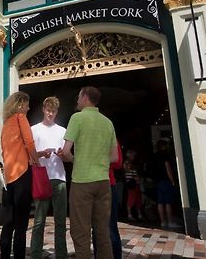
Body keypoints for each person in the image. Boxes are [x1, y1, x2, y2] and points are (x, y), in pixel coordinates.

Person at [58, 86, 117, 259]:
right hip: (103, 182)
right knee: (102, 232)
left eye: (78, 97)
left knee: (80, 231)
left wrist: (73, 159)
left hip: (82, 182)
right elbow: (114, 157)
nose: (76, 101)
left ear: (85, 97)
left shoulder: (77, 118)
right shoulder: (107, 122)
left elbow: (66, 151)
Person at [0, 91, 40, 259]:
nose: (29, 108)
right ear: (20, 104)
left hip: (9, 178)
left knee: (8, 223)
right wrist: (36, 160)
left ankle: (4, 256)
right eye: (27, 104)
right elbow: (29, 142)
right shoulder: (20, 118)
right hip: (22, 175)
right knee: (21, 224)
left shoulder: (6, 124)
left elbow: (6, 151)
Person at [30, 96, 68, 259]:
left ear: (57, 112)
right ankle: (36, 254)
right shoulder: (34, 129)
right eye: (48, 110)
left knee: (60, 221)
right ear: (43, 109)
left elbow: (68, 156)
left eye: (53, 111)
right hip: (41, 177)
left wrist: (62, 154)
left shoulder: (62, 131)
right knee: (39, 221)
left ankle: (61, 254)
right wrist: (41, 153)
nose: (50, 114)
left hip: (59, 177)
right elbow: (29, 156)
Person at [152, 139, 179, 228]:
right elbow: (168, 168)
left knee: (160, 202)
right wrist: (172, 180)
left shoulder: (154, 156)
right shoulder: (165, 155)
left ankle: (162, 222)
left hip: (157, 181)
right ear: (164, 146)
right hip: (165, 180)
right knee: (168, 202)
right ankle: (170, 221)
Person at [124, 149, 144, 221]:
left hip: (136, 184)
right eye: (133, 155)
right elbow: (127, 171)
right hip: (132, 184)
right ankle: (130, 215)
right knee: (131, 199)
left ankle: (139, 214)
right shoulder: (127, 163)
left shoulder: (132, 164)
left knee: (138, 199)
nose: (134, 157)